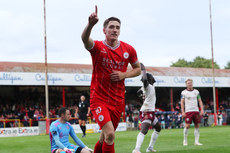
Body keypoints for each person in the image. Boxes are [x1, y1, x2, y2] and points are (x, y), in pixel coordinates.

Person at [81, 5, 141, 153]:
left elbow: (138, 69)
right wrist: (90, 25)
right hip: (99, 99)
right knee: (110, 134)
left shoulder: (129, 49)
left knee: (104, 138)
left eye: (118, 27)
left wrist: (124, 75)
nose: (115, 30)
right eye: (112, 27)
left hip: (117, 100)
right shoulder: (98, 47)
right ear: (104, 30)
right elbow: (84, 40)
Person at [132, 63, 161, 153]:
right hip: (146, 111)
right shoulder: (147, 86)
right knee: (144, 130)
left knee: (158, 128)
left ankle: (150, 147)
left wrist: (141, 95)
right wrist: (143, 70)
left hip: (151, 111)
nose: (153, 77)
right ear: (149, 79)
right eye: (151, 77)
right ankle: (136, 149)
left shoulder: (149, 87)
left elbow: (138, 92)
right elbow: (144, 79)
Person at [181, 79, 204, 146]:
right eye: (188, 83)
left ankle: (196, 141)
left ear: (192, 83)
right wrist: (183, 111)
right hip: (188, 111)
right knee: (187, 125)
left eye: (191, 83)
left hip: (196, 110)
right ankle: (185, 140)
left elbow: (200, 101)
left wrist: (202, 110)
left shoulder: (196, 92)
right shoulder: (183, 92)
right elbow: (182, 102)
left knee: (197, 125)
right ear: (186, 84)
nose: (190, 84)